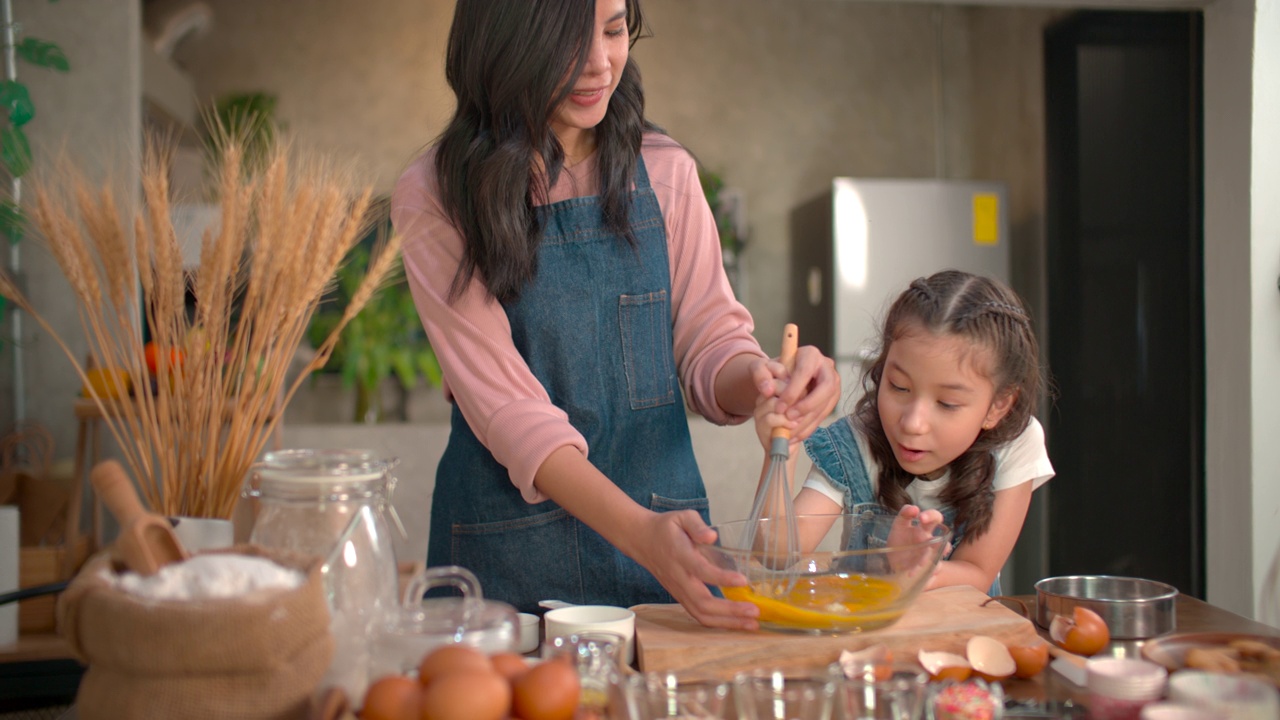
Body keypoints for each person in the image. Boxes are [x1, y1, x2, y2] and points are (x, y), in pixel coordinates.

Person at [390, 0, 839, 630]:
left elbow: (711, 341)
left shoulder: (665, 170)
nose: (601, 64)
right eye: (571, 38)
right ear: (508, 35)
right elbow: (508, 410)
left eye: (614, 29)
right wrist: (642, 534)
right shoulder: (436, 191)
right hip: (503, 569)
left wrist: (764, 379)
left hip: (664, 551)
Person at [752, 270, 1053, 594]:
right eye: (899, 387)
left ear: (998, 406)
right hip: (864, 639)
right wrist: (783, 447)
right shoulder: (855, 443)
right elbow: (777, 554)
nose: (912, 423)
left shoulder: (1016, 445)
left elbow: (976, 572)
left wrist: (910, 566)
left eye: (947, 403)